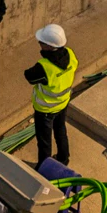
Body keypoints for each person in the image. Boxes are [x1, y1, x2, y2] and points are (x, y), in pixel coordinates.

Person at [25, 23, 77, 169]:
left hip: (45, 110)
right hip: (63, 103)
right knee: (60, 131)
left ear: (48, 46)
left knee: (44, 142)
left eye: (41, 42)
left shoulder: (44, 67)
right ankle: (63, 158)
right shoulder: (70, 54)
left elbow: (29, 76)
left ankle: (44, 168)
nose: (39, 44)